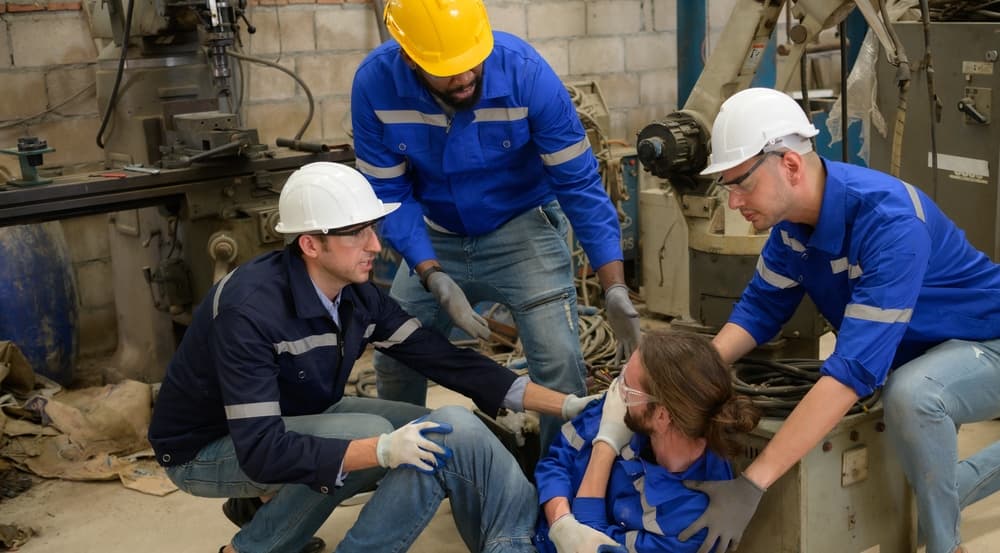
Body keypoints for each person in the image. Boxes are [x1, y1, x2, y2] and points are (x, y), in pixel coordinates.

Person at [147, 162, 595, 553]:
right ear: (310, 244)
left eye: (373, 229)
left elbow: (446, 362)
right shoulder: (251, 312)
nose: (376, 246)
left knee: (436, 430)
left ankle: (261, 506)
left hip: (297, 416)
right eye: (357, 233)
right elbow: (263, 451)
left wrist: (568, 405)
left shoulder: (355, 295)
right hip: (206, 448)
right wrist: (380, 450)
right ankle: (253, 547)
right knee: (371, 436)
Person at [681, 87, 1000, 553]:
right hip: (919, 351)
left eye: (741, 184)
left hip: (986, 341)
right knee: (911, 406)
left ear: (790, 165)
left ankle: (942, 544)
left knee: (912, 396)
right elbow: (759, 310)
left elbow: (851, 371)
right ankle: (943, 495)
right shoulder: (791, 227)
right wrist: (693, 370)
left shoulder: (889, 222)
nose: (733, 203)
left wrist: (754, 482)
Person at [350, 0, 640, 448]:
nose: (465, 77)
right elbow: (390, 196)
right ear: (410, 59)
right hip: (434, 234)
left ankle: (557, 481)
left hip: (522, 227)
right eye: (447, 70)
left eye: (472, 62)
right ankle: (403, 463)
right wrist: (430, 273)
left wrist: (615, 284)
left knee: (559, 363)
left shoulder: (527, 75)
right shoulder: (374, 87)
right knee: (395, 354)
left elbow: (578, 184)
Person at [330, 330, 759, 553]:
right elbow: (554, 463)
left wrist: (606, 447)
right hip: (531, 523)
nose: (614, 394)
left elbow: (588, 546)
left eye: (626, 387)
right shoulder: (625, 410)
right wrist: (559, 518)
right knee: (446, 428)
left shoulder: (690, 517)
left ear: (662, 415)